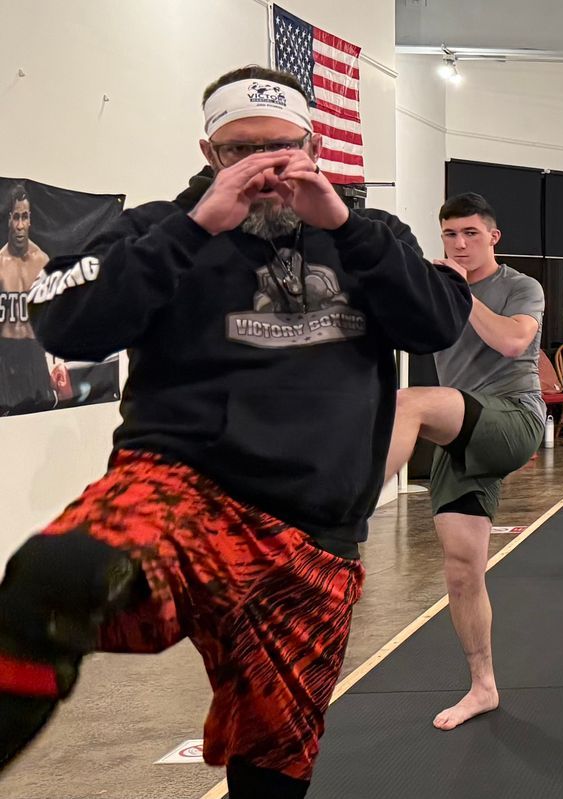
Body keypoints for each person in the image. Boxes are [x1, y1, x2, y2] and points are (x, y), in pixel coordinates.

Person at [0, 66, 470, 798]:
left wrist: (342, 226)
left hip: (313, 533)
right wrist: (194, 228)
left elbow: (436, 320)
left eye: (283, 150)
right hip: (182, 491)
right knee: (53, 579)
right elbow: (63, 317)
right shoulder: (158, 227)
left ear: (312, 146)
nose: (266, 171)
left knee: (274, 765)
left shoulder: (369, 234)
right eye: (241, 152)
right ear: (207, 150)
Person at [378, 192, 544, 731]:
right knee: (461, 572)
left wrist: (460, 291)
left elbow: (515, 343)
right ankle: (483, 687)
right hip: (462, 434)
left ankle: (345, 509)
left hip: (514, 420)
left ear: (492, 236)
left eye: (471, 233)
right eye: (450, 234)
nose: (460, 243)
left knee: (412, 401)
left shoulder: (521, 287)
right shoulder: (434, 286)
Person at [0, 184, 65, 415]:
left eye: (24, 217)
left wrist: (57, 362)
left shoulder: (42, 261)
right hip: (5, 360)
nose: (19, 225)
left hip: (35, 357)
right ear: (9, 219)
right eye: (16, 217)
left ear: (30, 221)